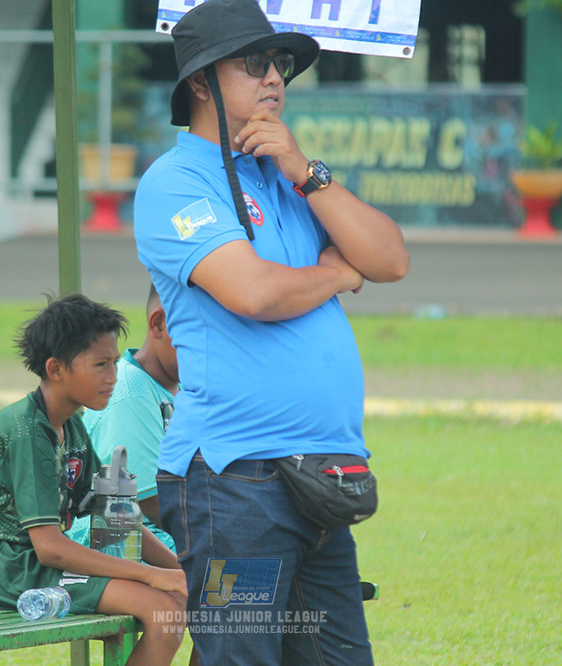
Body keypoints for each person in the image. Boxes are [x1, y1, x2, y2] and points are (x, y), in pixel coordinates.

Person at [132, 1, 410, 664]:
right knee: (243, 657)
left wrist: (306, 169)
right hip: (235, 485)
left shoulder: (287, 175)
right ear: (201, 82)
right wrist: (335, 277)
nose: (274, 79)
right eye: (253, 64)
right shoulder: (174, 183)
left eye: (280, 64)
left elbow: (390, 259)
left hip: (320, 478)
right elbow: (253, 292)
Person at [0, 294, 187, 666]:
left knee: (175, 601)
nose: (112, 376)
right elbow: (51, 548)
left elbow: (116, 516)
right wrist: (151, 575)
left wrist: (178, 569)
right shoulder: (28, 431)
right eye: (101, 365)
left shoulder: (72, 426)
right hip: (11, 572)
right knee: (165, 612)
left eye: (114, 363)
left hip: (40, 567)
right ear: (57, 369)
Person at [66, 284, 179, 551]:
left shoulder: (185, 387)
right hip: (134, 539)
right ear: (160, 323)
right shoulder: (131, 392)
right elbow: (152, 506)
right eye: (204, 333)